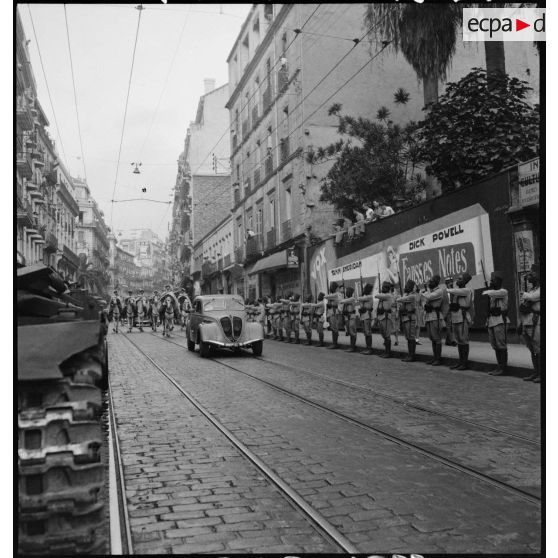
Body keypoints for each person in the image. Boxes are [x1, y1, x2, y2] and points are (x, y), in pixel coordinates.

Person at [482, 271, 509, 376]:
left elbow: (491, 293)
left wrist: (488, 290)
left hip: (500, 320)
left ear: (498, 281)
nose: (491, 282)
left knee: (501, 345)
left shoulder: (503, 291)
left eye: (493, 281)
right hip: (492, 321)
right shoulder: (492, 293)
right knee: (495, 346)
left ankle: (503, 368)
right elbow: (489, 308)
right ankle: (499, 367)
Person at [446, 273, 475, 370]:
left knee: (464, 340)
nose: (457, 280)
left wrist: (447, 289)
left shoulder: (467, 290)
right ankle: (460, 362)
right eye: (457, 278)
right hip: (455, 317)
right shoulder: (457, 291)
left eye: (460, 279)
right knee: (459, 341)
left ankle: (464, 363)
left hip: (462, 318)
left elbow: (456, 292)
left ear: (465, 281)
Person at [519, 264, 541, 383]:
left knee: (540, 349)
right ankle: (536, 372)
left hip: (537, 322)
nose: (530, 276)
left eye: (532, 274)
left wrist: (525, 294)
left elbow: (531, 298)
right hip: (527, 321)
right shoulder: (532, 289)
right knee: (532, 349)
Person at [420, 275, 449, 366]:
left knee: (437, 338)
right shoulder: (430, 291)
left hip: (435, 316)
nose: (429, 283)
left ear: (436, 282)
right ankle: (434, 358)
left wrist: (423, 292)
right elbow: (423, 301)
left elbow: (428, 297)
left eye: (431, 281)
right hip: (429, 316)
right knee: (432, 338)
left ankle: (438, 359)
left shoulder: (439, 291)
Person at [396, 279, 421, 362]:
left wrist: (402, 296)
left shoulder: (414, 296)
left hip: (411, 318)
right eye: (414, 286)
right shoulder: (407, 295)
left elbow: (399, 299)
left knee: (411, 337)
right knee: (408, 337)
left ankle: (412, 356)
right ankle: (410, 354)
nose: (415, 287)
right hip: (406, 318)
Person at [375, 281, 396, 358]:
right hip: (381, 316)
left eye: (384, 287)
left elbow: (376, 295)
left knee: (387, 335)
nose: (382, 288)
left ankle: (388, 353)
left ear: (387, 288)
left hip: (386, 317)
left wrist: (381, 293)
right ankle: (386, 351)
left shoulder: (388, 295)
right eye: (382, 287)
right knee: (383, 335)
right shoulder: (383, 296)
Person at [357, 283, 374, 355]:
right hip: (363, 316)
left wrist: (362, 296)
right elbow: (360, 304)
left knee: (368, 332)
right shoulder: (365, 297)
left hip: (367, 315)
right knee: (365, 333)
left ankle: (369, 348)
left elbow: (359, 298)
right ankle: (367, 347)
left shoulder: (369, 296)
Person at [325, 282, 343, 349]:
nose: (338, 288)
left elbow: (326, 297)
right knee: (333, 329)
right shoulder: (333, 295)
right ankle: (334, 343)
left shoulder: (337, 294)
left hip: (334, 313)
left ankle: (335, 344)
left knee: (334, 328)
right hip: (331, 313)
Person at [340, 286, 358, 352]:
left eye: (347, 291)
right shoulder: (346, 299)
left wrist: (341, 300)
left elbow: (342, 301)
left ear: (350, 292)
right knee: (350, 332)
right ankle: (352, 346)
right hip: (347, 317)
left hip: (351, 316)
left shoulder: (352, 299)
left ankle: (352, 347)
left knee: (352, 331)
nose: (346, 292)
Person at [444, 277, 458, 347]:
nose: (451, 283)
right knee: (449, 326)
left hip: (454, 310)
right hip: (447, 311)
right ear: (446, 284)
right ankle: (453, 340)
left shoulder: (454, 291)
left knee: (452, 326)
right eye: (449, 282)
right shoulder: (445, 292)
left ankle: (448, 340)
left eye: (451, 282)